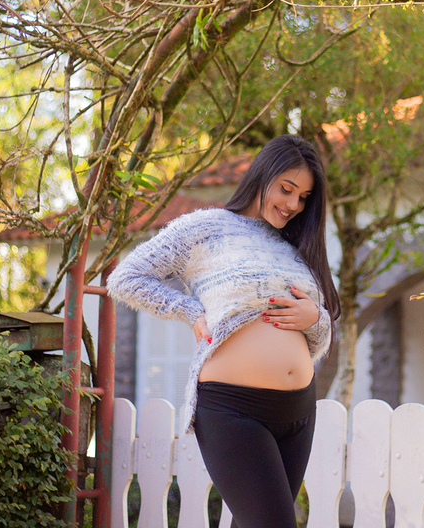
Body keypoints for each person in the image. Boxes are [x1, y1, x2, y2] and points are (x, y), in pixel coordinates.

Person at [107, 134, 340, 528]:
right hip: (233, 409)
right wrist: (188, 310)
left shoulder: (296, 247)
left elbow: (319, 340)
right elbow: (126, 277)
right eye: (286, 189)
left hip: (298, 409)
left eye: (302, 197)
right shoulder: (206, 228)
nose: (292, 205)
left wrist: (315, 318)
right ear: (262, 174)